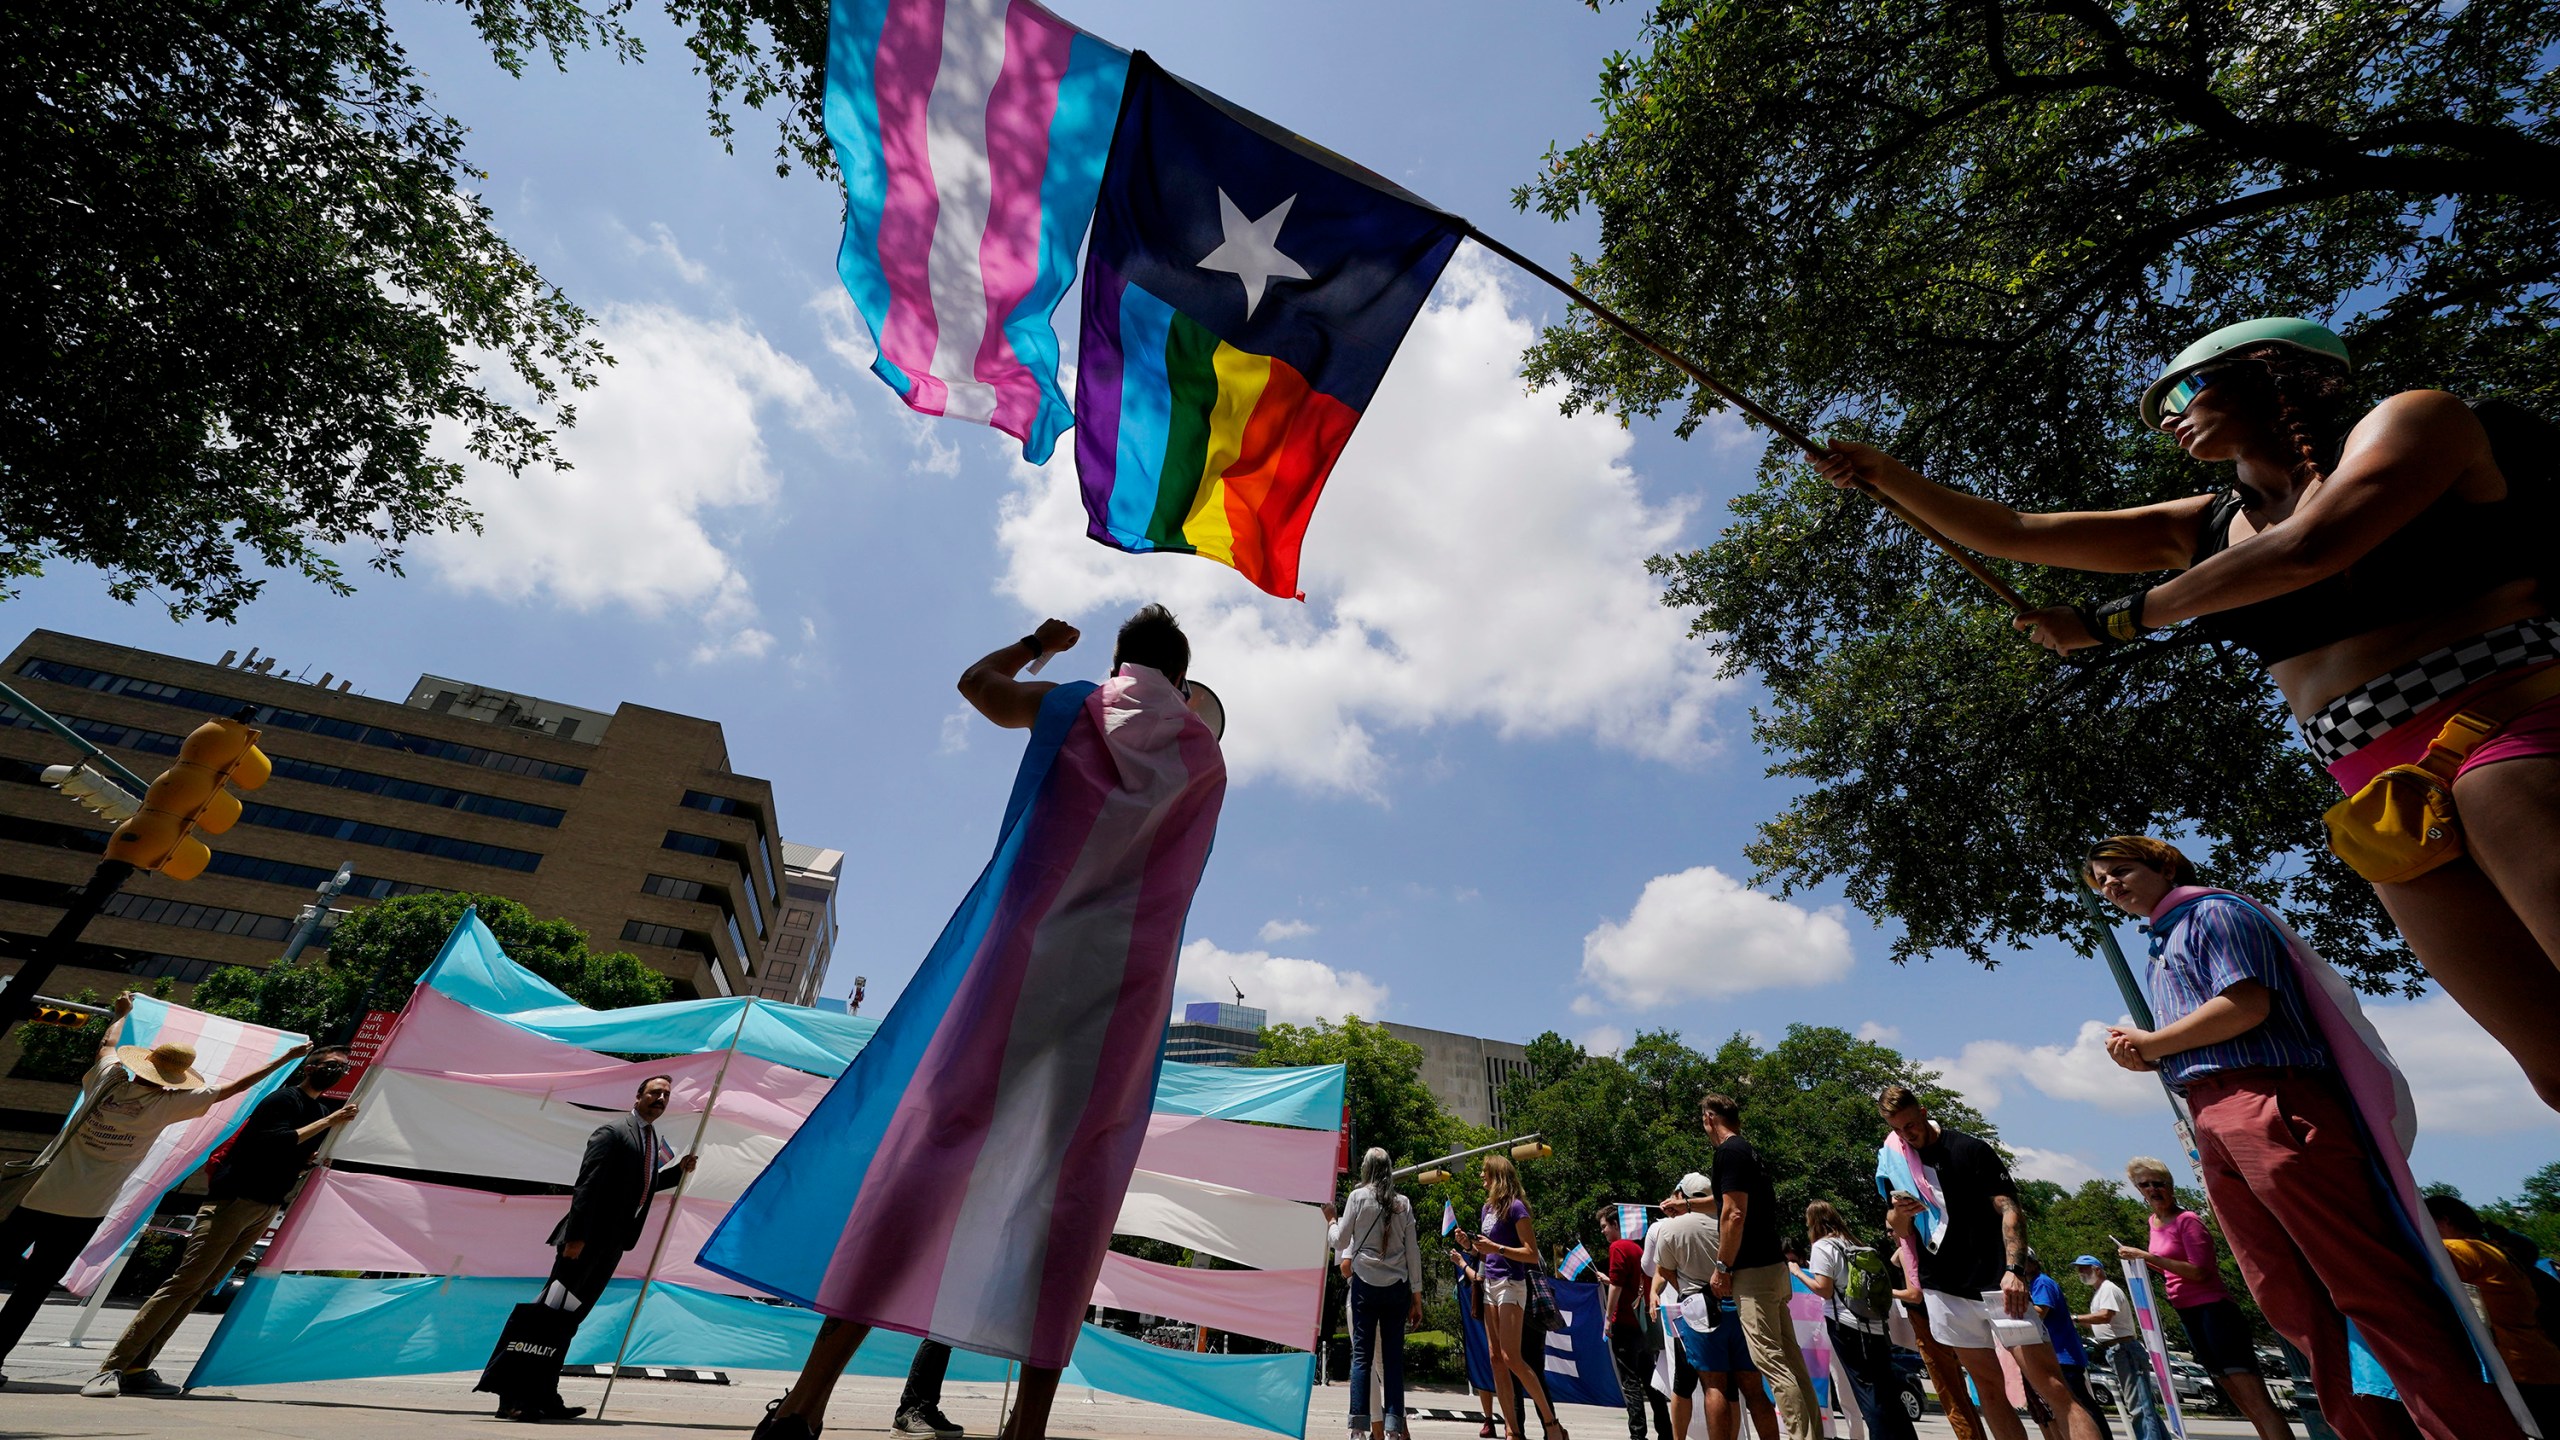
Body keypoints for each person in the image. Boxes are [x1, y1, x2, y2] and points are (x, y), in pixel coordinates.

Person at [1813, 319, 2560, 1112]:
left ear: (2271, 372)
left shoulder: (2417, 419)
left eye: (2179, 390)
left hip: (2501, 729)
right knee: (2550, 1068)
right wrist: (1886, 474)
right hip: (2375, 792)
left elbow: (2313, 546)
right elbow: (2015, 533)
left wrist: (2116, 620)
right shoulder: (2205, 525)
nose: (2167, 417)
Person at [703, 608, 1227, 1440]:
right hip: (1120, 993)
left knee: (927, 1155)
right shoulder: (1207, 759)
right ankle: (1028, 1430)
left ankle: (807, 1401)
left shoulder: (1078, 705)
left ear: (1123, 659)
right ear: (1182, 673)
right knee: (1077, 1189)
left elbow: (978, 688)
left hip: (1021, 963)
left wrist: (1039, 648)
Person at [2093, 837, 2526, 1440]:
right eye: (2099, 880)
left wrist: (2153, 1043)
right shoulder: (2161, 941)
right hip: (2212, 1112)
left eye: (2121, 870)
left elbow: (2246, 1006)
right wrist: (2150, 1056)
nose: (2110, 885)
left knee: (2366, 1284)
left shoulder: (2213, 912)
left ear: (2164, 864)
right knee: (2290, 1301)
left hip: (2269, 1100)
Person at [0, 995, 310, 1387]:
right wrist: (284, 1060)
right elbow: (233, 1089)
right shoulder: (170, 1106)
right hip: (84, 1212)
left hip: (35, 1197)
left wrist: (122, 1015)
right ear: (176, 1078)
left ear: (144, 1063)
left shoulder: (106, 1078)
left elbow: (107, 1045)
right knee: (31, 1292)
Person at [82, 1044, 357, 1398]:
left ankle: (137, 1368)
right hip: (233, 1202)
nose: (338, 1070)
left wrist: (310, 1155)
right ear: (310, 1066)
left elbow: (292, 1153)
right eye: (331, 1064)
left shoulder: (319, 1107)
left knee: (200, 1287)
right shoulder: (284, 1101)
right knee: (183, 1284)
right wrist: (328, 1122)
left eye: (343, 1067)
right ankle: (111, 1369)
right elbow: (271, 1143)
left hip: (265, 1206)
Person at [1875, 1084, 2105, 1440]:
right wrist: (1900, 1212)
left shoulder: (1969, 1149)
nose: (1908, 1135)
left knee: (2053, 1388)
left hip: (1997, 1285)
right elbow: (1900, 1229)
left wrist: (2014, 1271)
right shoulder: (1898, 1162)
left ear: (1923, 1113)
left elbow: (2011, 1209)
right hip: (1945, 1290)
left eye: (1911, 1125)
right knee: (1989, 1392)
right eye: (1898, 1130)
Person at [482, 1073, 695, 1422]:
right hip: (583, 1243)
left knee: (567, 1323)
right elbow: (587, 1185)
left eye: (666, 1095)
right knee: (545, 1320)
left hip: (611, 1246)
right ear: (638, 1094)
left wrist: (677, 1173)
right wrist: (575, 1238)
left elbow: (639, 1186)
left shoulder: (650, 1139)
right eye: (655, 1092)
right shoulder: (613, 1133)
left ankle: (544, 1395)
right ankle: (513, 1398)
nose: (661, 1099)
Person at [2113, 1157, 2292, 1440]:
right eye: (2144, 1185)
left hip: (2214, 1311)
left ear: (2170, 1186)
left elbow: (2199, 1272)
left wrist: (2148, 1257)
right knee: (2239, 1400)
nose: (2152, 1189)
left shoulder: (2189, 1221)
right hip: (2187, 1312)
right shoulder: (2153, 1222)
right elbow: (2169, 1266)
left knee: (2255, 1397)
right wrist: (2141, 1261)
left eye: (2158, 1183)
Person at [1689, 1092, 1820, 1439]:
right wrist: (1688, 1207)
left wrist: (1722, 1267)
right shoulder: (1747, 1151)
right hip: (1774, 1268)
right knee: (1791, 1363)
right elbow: (1727, 1203)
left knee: (1772, 1364)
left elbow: (1734, 1214)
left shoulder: (1727, 1153)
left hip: (1752, 1274)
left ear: (1709, 1117)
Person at [1648, 1170, 1778, 1440]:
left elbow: (1665, 1272)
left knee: (1714, 1387)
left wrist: (1687, 1286)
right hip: (1741, 1306)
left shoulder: (1670, 1229)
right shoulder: (1731, 1222)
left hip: (1701, 1312)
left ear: (1682, 1197)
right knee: (1754, 1389)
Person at [2426, 1194, 2560, 1436]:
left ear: (2442, 1221)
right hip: (2540, 1363)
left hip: (2517, 1369)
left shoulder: (2460, 1249)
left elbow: (2414, 1266)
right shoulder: (2492, 1249)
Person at [1798, 1199, 1918, 1440]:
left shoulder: (1823, 1247)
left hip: (1845, 1325)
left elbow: (1824, 1289)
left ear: (1812, 1222)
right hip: (1874, 1326)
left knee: (1866, 1391)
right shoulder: (1853, 1243)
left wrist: (1798, 1272)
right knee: (1886, 1391)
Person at [1470, 1153, 1568, 1440]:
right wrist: (1472, 1247)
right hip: (1490, 1282)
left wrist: (1496, 1249)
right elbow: (1487, 1250)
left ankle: (1552, 1424)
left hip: (1512, 1284)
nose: (1481, 1177)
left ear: (1497, 1175)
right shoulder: (1487, 1208)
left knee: (1512, 1356)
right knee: (1495, 1358)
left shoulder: (1516, 1208)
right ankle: (1512, 1429)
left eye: (1484, 1172)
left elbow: (1531, 1253)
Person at [1333, 1148, 1424, 1440]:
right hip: (1396, 1289)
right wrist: (1417, 1296)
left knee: (1362, 1357)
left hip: (1364, 1287)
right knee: (1393, 1360)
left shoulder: (1357, 1198)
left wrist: (1330, 1222)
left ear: (1367, 1170)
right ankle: (1394, 1428)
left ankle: (1358, 1429)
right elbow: (1413, 1252)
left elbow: (1341, 1240)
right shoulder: (1403, 1204)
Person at [2071, 1255, 2170, 1440]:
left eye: (2084, 1268)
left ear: (2097, 1269)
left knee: (2139, 1405)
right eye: (2078, 1269)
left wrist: (2075, 1318)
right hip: (2118, 1350)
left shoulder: (2108, 1289)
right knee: (2144, 1404)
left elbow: (2105, 1316)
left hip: (2124, 1350)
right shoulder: (2099, 1292)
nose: (2080, 1273)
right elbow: (2100, 1321)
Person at [2020, 1254, 2113, 1440]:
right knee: (2068, 1405)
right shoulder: (2035, 1284)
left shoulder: (2042, 1283)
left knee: (2078, 1404)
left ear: (2033, 1262)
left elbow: (2040, 1312)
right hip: (2058, 1355)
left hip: (2063, 1355)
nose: (2019, 1266)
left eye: (2023, 1261)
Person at [1600, 1206, 1674, 1440]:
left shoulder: (1618, 1247)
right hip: (1642, 1326)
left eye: (1604, 1226)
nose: (1603, 1232)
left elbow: (1617, 1285)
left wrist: (1608, 1318)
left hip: (1624, 1323)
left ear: (1615, 1224)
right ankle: (1666, 1432)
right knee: (1651, 1382)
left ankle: (1637, 1435)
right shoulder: (1637, 1248)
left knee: (1630, 1383)